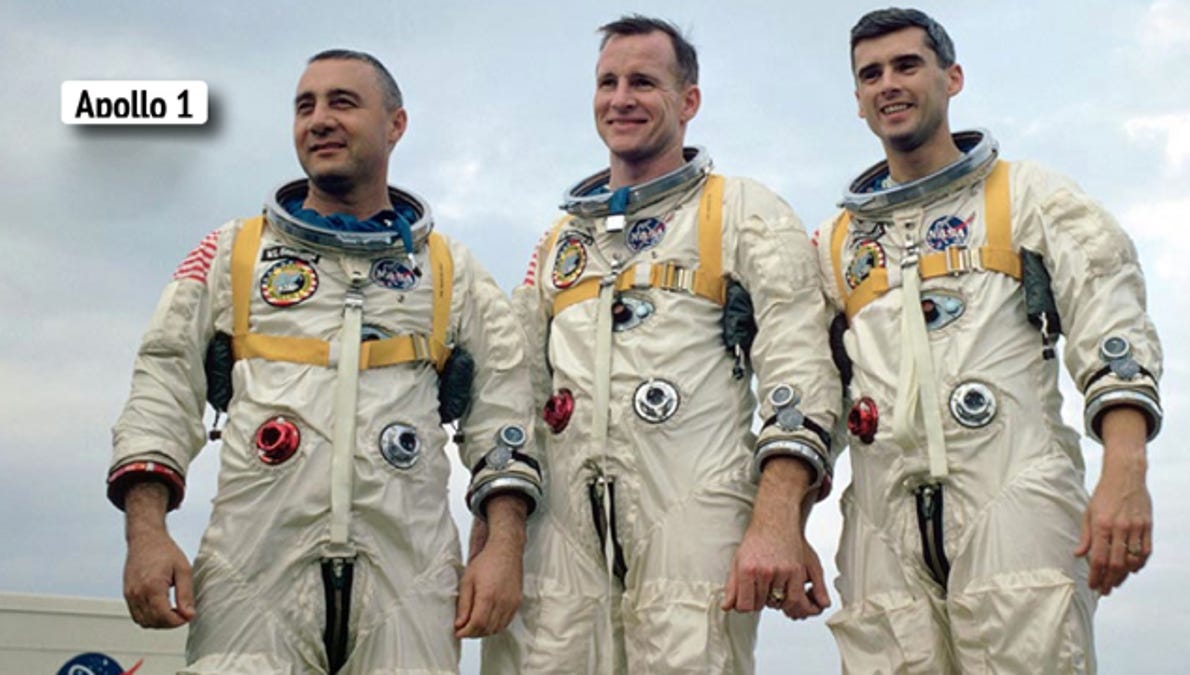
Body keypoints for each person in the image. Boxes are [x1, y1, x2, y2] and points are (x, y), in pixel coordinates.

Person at [108, 49, 542, 674]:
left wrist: (503, 546)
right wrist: (145, 533)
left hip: (409, 575)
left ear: (395, 124)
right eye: (304, 106)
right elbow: (161, 387)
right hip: (252, 568)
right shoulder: (232, 253)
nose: (319, 120)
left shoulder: (451, 271)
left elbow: (506, 412)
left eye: (343, 102)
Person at [484, 15, 840, 674]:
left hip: (694, 518)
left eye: (643, 83)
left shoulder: (741, 211)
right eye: (608, 83)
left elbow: (801, 366)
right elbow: (511, 393)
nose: (621, 99)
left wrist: (779, 520)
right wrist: (495, 539)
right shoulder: (560, 242)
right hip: (561, 530)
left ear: (688, 100)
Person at [815, 8, 1163, 673]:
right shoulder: (837, 245)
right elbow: (809, 387)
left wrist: (1125, 469)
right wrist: (782, 522)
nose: (889, 84)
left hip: (1015, 498)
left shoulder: (1029, 196)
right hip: (883, 525)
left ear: (952, 77)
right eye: (871, 74)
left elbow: (1110, 319)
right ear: (858, 99)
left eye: (907, 65)